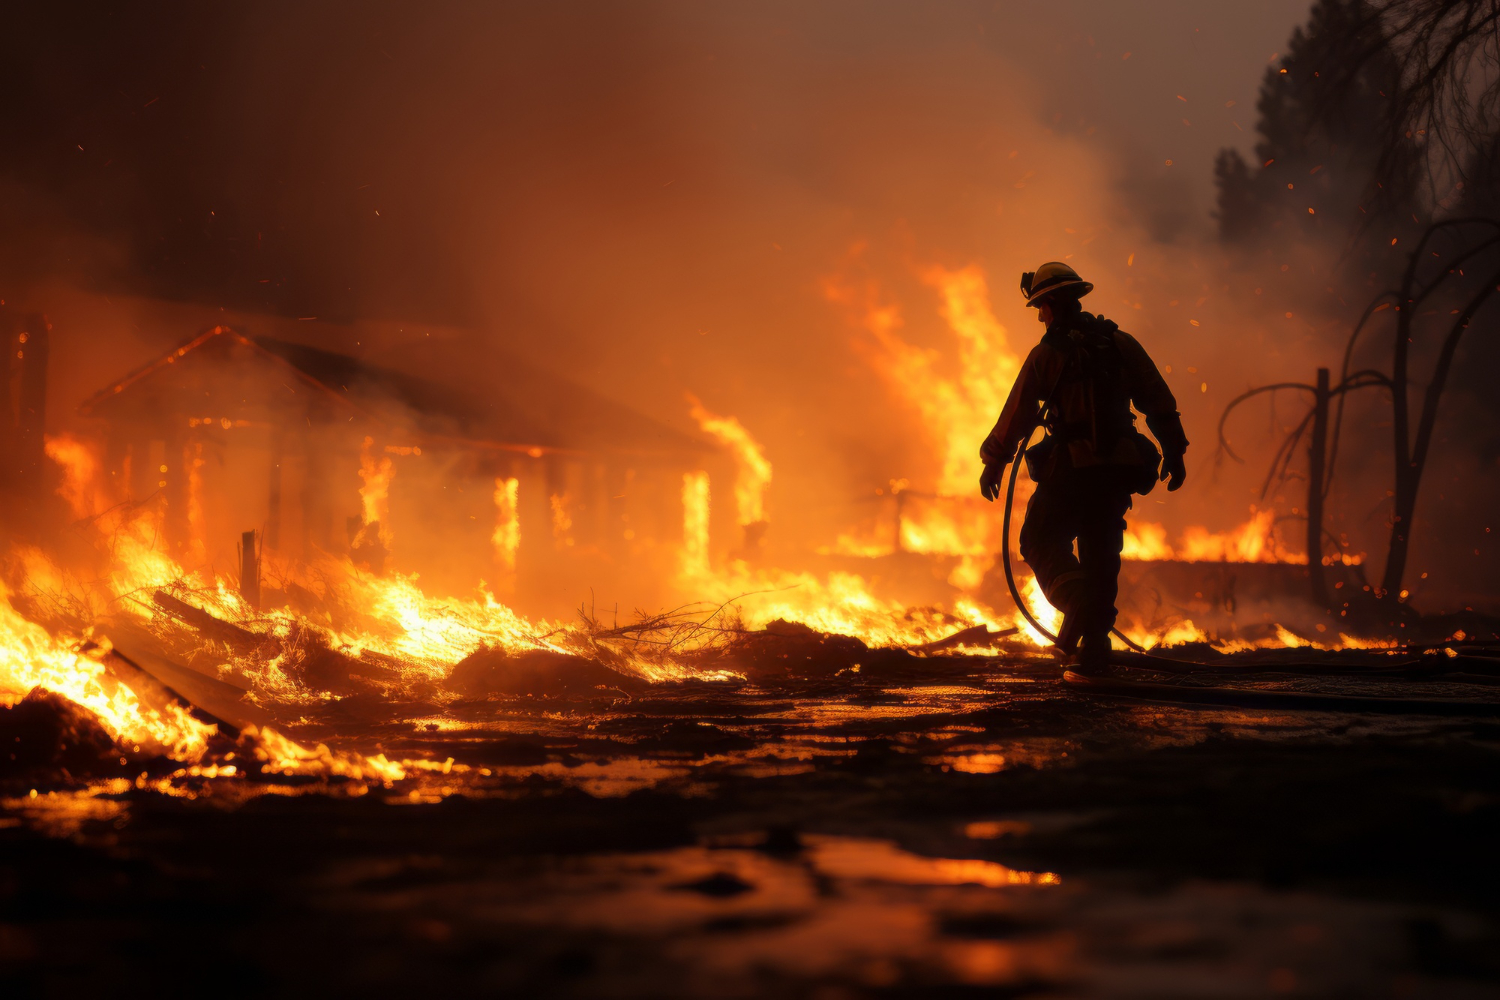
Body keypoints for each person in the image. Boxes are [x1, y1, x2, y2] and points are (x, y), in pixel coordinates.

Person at [978, 262, 1188, 672]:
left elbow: (1017, 414)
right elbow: (1158, 400)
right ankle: (1094, 646)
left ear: (1053, 303)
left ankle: (1079, 605)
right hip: (1117, 470)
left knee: (1039, 541)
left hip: (1071, 470)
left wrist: (993, 462)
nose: (1041, 316)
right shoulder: (1121, 344)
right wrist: (1174, 451)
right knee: (1101, 551)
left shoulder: (1047, 356)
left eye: (1041, 307)